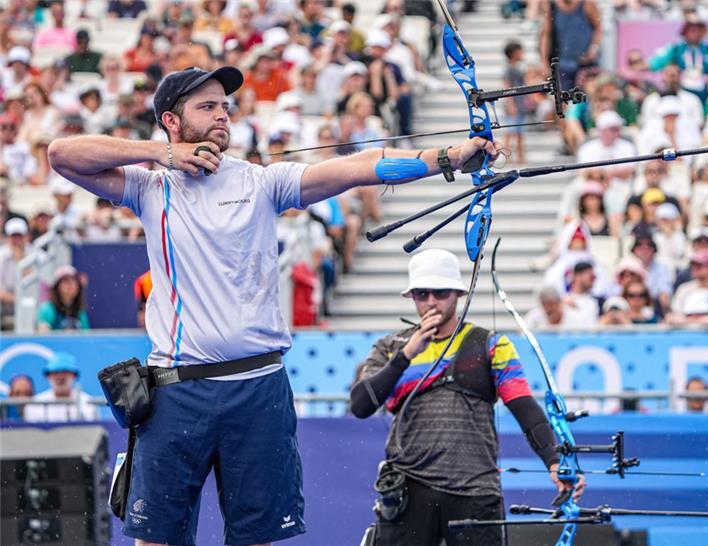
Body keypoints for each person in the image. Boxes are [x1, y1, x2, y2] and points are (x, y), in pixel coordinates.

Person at [46, 65, 497, 546]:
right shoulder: (150, 187)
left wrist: (446, 158)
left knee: (256, 538)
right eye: (207, 106)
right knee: (156, 539)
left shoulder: (262, 181)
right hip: (178, 391)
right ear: (172, 121)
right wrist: (162, 154)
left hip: (258, 388)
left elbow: (357, 166)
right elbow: (62, 154)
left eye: (225, 106)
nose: (223, 115)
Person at [349, 249, 584, 545]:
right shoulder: (391, 346)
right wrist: (407, 355)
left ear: (459, 293)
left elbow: (524, 407)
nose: (431, 301)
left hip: (474, 491)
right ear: (411, 297)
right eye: (422, 293)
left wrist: (555, 461)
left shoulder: (491, 345)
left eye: (440, 292)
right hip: (408, 490)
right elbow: (360, 405)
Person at [25, 352, 99, 423]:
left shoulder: (88, 403)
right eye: (55, 372)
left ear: (74, 375)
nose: (60, 377)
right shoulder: (35, 404)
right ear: (48, 376)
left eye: (65, 372)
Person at [37, 265, 91, 331]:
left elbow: (87, 337)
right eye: (65, 281)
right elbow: (43, 335)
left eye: (74, 281)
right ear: (57, 286)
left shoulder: (80, 312)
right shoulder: (48, 309)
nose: (71, 284)